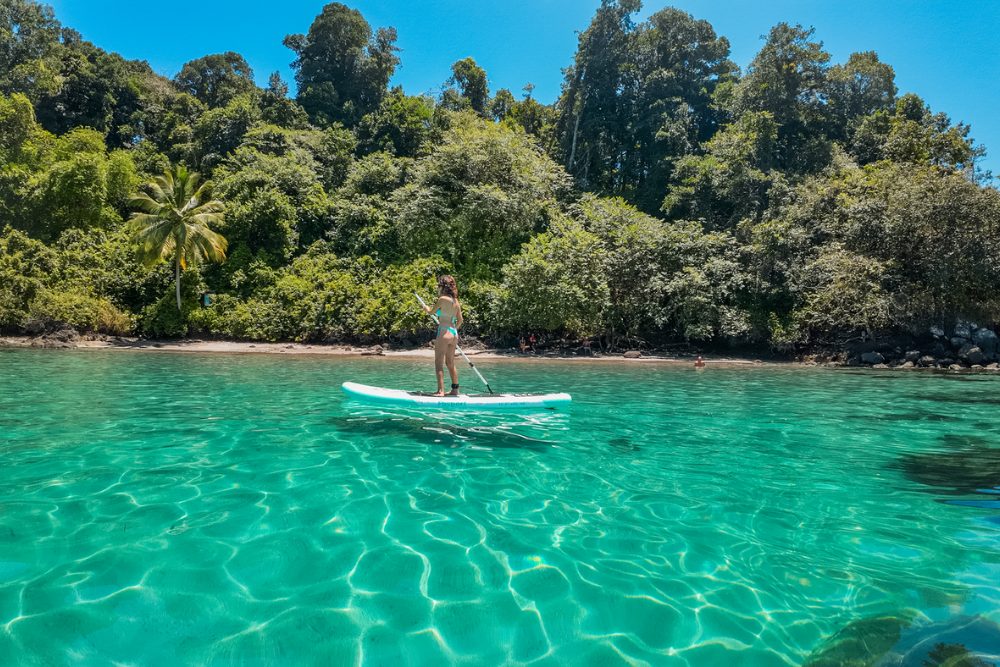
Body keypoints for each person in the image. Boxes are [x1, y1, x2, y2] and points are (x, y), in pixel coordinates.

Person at [422, 275, 464, 396]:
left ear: (442, 286)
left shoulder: (442, 299)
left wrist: (426, 308)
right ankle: (455, 389)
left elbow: (431, 312)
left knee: (438, 363)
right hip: (453, 333)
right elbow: (460, 320)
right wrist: (453, 329)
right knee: (450, 363)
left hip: (444, 332)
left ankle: (440, 391)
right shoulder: (456, 302)